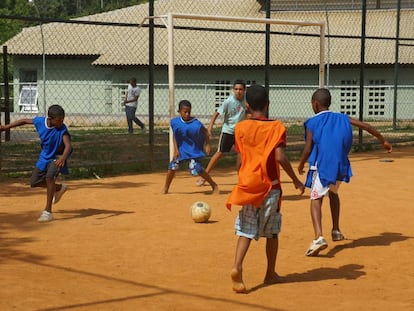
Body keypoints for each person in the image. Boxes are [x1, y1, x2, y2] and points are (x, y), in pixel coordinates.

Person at [226, 84, 305, 293]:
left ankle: (237, 266)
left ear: (247, 105)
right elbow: (279, 157)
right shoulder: (276, 127)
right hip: (271, 186)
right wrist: (296, 181)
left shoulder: (241, 128)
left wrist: (242, 178)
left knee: (245, 229)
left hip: (249, 185)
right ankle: (270, 273)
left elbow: (239, 159)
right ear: (268, 104)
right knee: (272, 232)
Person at [298, 88, 392, 257]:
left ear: (315, 104)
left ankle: (319, 237)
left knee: (315, 199)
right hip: (340, 165)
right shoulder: (342, 117)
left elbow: (308, 148)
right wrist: (383, 140)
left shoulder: (312, 122)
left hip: (322, 165)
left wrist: (300, 164)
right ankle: (336, 230)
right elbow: (366, 126)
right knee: (333, 193)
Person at [0, 105, 73, 222]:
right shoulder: (40, 122)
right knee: (34, 182)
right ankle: (59, 188)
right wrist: (5, 127)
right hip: (45, 156)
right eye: (59, 120)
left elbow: (68, 146)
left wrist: (63, 158)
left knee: (50, 177)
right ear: (50, 118)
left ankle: (47, 212)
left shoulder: (62, 129)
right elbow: (23, 121)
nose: (62, 122)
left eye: (62, 119)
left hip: (58, 156)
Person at [162, 100, 219, 195]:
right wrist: (176, 150)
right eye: (185, 112)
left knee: (197, 169)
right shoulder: (175, 122)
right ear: (179, 111)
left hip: (194, 150)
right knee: (172, 167)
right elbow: (175, 136)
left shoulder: (196, 124)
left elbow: (206, 132)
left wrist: (207, 144)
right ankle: (166, 187)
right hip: (181, 150)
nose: (187, 114)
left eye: (189, 112)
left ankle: (213, 185)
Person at [196, 79, 246, 186]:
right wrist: (210, 128)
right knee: (220, 153)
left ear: (244, 90)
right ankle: (204, 176)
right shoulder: (228, 101)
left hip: (240, 132)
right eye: (236, 89)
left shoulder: (247, 101)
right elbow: (216, 114)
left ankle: (242, 179)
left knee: (242, 155)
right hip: (228, 131)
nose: (238, 91)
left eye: (241, 89)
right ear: (233, 90)